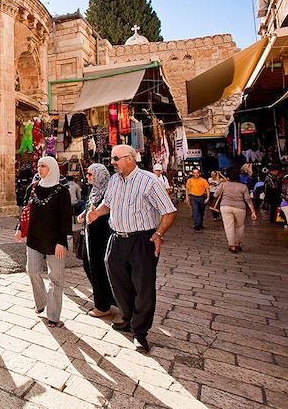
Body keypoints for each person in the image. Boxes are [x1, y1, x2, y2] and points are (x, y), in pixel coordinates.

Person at [87, 144, 177, 354]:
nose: (112, 162)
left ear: (130, 158)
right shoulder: (114, 181)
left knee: (143, 287)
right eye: (112, 159)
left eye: (116, 158)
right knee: (118, 282)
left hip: (141, 241)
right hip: (117, 239)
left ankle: (140, 332)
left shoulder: (149, 181)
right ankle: (127, 317)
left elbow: (169, 212)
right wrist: (96, 213)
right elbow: (107, 204)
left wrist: (159, 234)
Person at [14, 155, 71, 327]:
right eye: (38, 166)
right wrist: (19, 228)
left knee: (56, 279)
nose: (40, 169)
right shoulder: (32, 187)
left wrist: (62, 241)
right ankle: (41, 303)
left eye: (43, 166)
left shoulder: (62, 192)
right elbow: (26, 210)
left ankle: (53, 315)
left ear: (52, 168)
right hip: (34, 238)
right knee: (32, 271)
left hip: (55, 241)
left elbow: (66, 218)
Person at [76, 163, 115, 317]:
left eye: (91, 174)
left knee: (98, 268)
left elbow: (105, 209)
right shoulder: (94, 190)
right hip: (89, 234)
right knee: (88, 265)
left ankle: (103, 305)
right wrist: (83, 215)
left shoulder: (109, 192)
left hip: (101, 235)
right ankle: (105, 298)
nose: (88, 177)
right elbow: (91, 206)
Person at [214, 167, 256, 253]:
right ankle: (238, 244)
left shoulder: (223, 184)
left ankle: (232, 245)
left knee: (229, 226)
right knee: (240, 226)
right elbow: (248, 200)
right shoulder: (243, 186)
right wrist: (253, 212)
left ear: (228, 176)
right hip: (240, 208)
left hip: (225, 207)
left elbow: (215, 195)